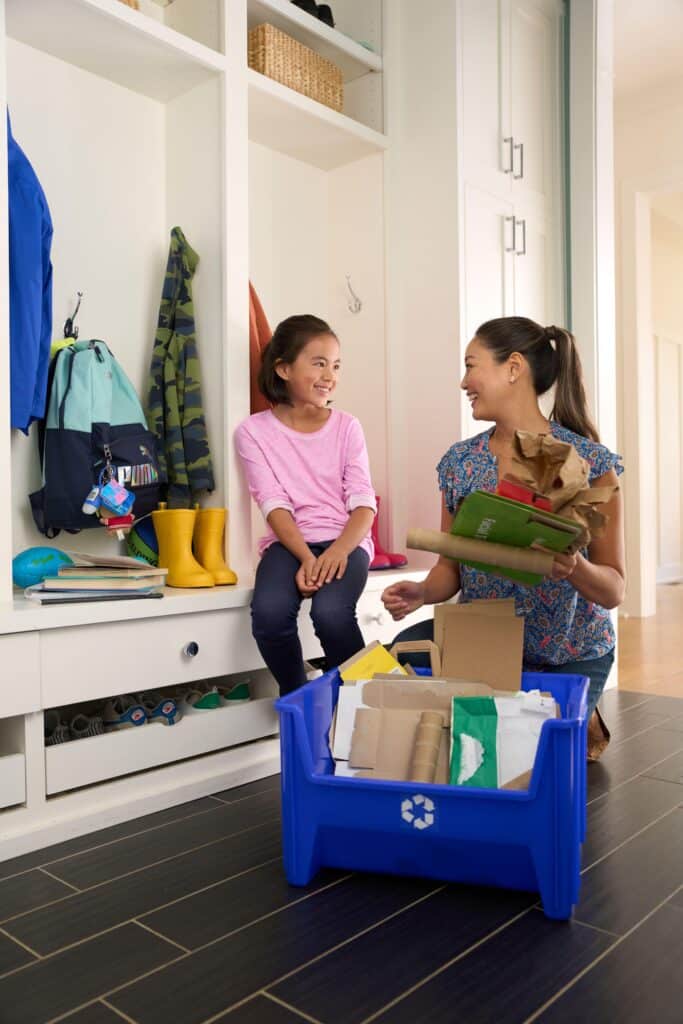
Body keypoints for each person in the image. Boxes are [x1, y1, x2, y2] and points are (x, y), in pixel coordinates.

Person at [382, 316, 625, 759]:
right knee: (388, 666)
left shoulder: (590, 462)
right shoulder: (459, 463)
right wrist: (420, 591)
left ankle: (574, 712)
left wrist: (577, 567)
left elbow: (613, 590)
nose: (463, 381)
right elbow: (449, 568)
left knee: (528, 760)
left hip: (568, 651)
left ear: (513, 367)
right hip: (486, 641)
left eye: (472, 366)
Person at [235, 314, 376, 695]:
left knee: (330, 614)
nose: (330, 375)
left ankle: (363, 704)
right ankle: (299, 699)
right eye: (318, 363)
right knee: (268, 615)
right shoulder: (253, 432)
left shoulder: (348, 427)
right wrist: (308, 559)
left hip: (345, 541)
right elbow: (273, 503)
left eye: (335, 365)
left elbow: (363, 504)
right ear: (283, 368)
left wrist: (337, 552)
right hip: (289, 544)